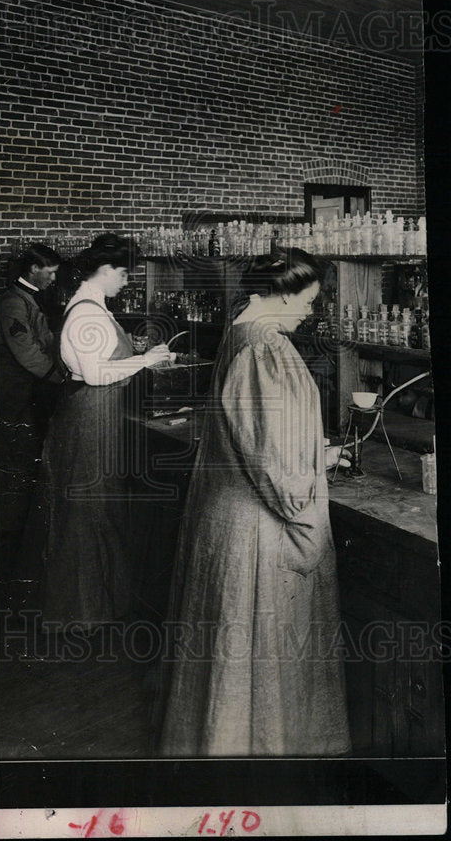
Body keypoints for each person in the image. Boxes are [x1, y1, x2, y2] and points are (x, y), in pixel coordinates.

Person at [158, 248, 351, 756]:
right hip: (259, 530)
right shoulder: (265, 348)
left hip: (225, 517)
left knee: (233, 665)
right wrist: (306, 509)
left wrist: (310, 450)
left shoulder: (238, 333)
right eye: (308, 301)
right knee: (262, 660)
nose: (310, 312)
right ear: (284, 293)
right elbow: (275, 463)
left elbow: (254, 431)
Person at [23, 233, 173, 629]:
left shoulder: (92, 306)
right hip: (90, 414)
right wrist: (145, 360)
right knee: (89, 509)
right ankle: (81, 612)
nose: (127, 280)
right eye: (124, 273)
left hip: (96, 413)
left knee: (98, 507)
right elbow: (95, 372)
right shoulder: (88, 312)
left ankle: (98, 605)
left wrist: (138, 354)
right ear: (105, 270)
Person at [0, 244, 65, 545]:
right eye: (50, 272)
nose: (53, 279)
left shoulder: (27, 299)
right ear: (33, 269)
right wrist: (61, 377)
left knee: (12, 453)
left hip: (18, 387)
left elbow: (44, 340)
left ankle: (3, 522)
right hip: (2, 388)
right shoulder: (13, 303)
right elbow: (27, 352)